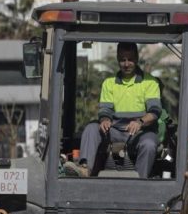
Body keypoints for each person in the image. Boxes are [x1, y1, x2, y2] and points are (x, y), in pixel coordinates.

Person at [65, 42, 161, 178]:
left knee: (150, 144)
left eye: (130, 59)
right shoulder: (109, 83)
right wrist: (104, 120)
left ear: (137, 59)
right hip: (115, 131)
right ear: (117, 59)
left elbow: (155, 112)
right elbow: (105, 110)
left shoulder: (150, 82)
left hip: (140, 132)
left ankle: (140, 181)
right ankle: (84, 168)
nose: (126, 64)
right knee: (91, 128)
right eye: (122, 60)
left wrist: (140, 122)